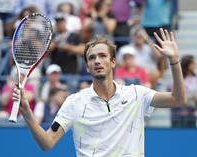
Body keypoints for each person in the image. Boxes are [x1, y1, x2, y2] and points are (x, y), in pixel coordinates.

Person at [13, 28, 186, 156]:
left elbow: (177, 99)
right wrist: (27, 113)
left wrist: (174, 61)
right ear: (87, 67)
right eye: (92, 58)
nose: (97, 61)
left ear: (112, 62)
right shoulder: (75, 102)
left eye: (102, 56)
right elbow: (47, 142)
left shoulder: (136, 94)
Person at [168, 55, 197, 128]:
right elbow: (170, 92)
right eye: (192, 64)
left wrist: (196, 100)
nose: (194, 66)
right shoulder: (176, 78)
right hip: (177, 114)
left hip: (191, 115)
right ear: (187, 64)